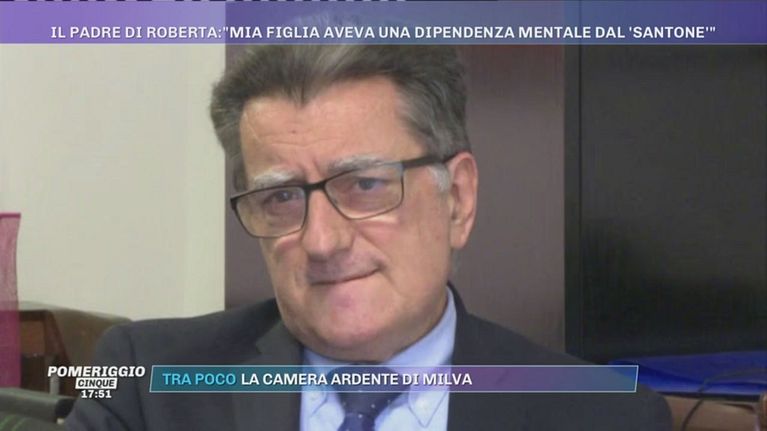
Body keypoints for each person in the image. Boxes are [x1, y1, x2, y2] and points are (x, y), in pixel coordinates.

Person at [65, 45, 671, 431]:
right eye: (282, 197)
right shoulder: (145, 380)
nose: (322, 241)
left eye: (364, 185)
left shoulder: (602, 414)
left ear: (458, 199)